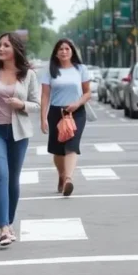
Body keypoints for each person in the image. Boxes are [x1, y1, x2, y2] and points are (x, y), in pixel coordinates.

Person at [0, 32, 41, 246]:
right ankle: (3, 227)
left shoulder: (28, 75)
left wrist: (21, 105)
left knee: (13, 179)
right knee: (1, 175)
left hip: (18, 133)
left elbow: (37, 104)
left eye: (6, 45)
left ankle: (10, 223)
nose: (1, 49)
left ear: (16, 49)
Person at [40, 38, 91, 197]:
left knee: (72, 145)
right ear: (56, 53)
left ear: (72, 51)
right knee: (58, 151)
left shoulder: (80, 69)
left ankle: (69, 179)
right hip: (56, 112)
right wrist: (43, 118)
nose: (64, 51)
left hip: (76, 112)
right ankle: (61, 175)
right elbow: (45, 96)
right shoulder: (50, 71)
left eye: (67, 49)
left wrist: (77, 103)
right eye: (61, 49)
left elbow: (87, 92)